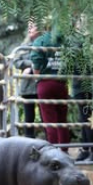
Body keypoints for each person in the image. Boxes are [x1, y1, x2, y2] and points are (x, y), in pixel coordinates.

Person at [28, 20, 71, 153]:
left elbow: (36, 65)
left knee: (49, 120)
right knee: (62, 120)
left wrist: (37, 76)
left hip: (45, 83)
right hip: (62, 83)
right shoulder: (64, 41)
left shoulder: (40, 41)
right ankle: (64, 150)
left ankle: (52, 152)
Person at [18, 20, 42, 135]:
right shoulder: (24, 45)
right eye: (28, 26)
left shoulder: (44, 43)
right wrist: (28, 65)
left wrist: (32, 68)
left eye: (32, 26)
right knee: (29, 117)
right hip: (27, 86)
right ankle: (29, 144)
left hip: (41, 84)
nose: (29, 29)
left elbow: (43, 60)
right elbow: (16, 61)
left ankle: (49, 143)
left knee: (45, 117)